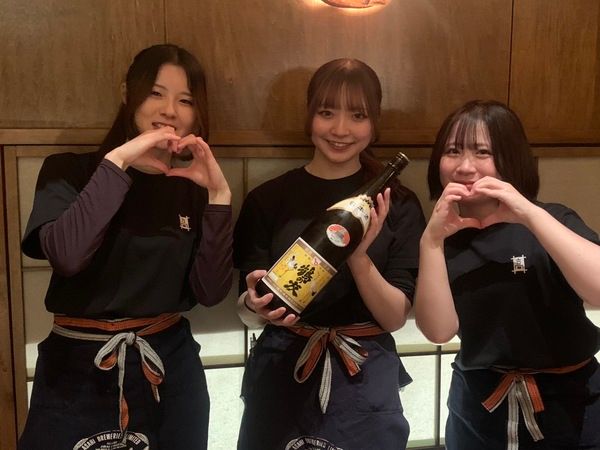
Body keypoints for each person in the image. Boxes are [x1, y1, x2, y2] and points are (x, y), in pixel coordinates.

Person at [19, 44, 233, 450]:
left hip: (169, 369)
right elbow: (67, 255)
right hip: (77, 370)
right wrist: (118, 162)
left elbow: (209, 292)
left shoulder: (191, 188)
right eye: (155, 93)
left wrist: (220, 197)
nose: (170, 110)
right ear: (126, 94)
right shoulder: (68, 170)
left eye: (185, 100)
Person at [233, 58, 426, 450]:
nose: (340, 129)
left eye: (358, 115)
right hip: (282, 368)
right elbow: (246, 311)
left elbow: (393, 317)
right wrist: (254, 304)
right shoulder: (268, 199)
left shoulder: (398, 204)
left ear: (374, 123)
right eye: (326, 113)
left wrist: (358, 256)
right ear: (310, 117)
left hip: (364, 372)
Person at [414, 100, 600, 449]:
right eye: (453, 151)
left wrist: (529, 214)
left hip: (571, 402)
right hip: (479, 405)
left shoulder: (553, 218)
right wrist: (431, 241)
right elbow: (439, 331)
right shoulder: (440, 237)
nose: (465, 166)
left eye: (482, 152)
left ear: (510, 158)